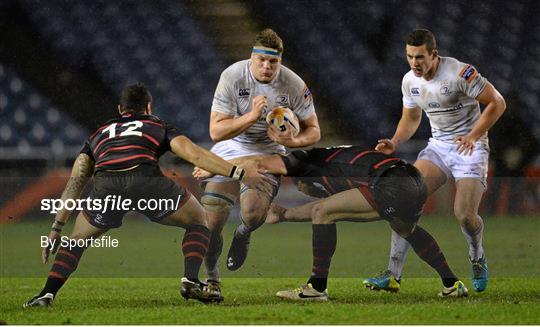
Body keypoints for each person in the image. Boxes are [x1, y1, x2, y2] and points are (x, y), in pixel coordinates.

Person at [23, 83, 267, 307]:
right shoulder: (157, 125)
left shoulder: (98, 134)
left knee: (77, 240)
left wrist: (56, 228)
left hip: (107, 185)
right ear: (149, 107)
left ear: (120, 109)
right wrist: (238, 173)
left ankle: (47, 294)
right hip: (146, 180)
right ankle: (191, 280)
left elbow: (76, 181)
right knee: (199, 221)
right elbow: (195, 155)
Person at [193, 145, 469, 300]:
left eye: (304, 189)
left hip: (392, 184)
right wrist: (285, 215)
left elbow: (258, 161)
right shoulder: (332, 162)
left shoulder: (301, 161)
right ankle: (452, 283)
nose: (307, 192)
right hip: (411, 179)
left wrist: (213, 165)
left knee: (323, 212)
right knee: (405, 229)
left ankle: (316, 288)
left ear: (302, 180)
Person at [365, 29, 506, 293]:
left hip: (470, 148)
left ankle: (477, 256)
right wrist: (395, 141)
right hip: (439, 148)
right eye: (409, 56)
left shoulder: (459, 73)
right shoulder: (410, 81)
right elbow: (411, 118)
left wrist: (473, 136)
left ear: (434, 54)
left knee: (464, 216)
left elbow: (497, 103)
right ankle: (392, 274)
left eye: (420, 57)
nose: (414, 63)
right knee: (403, 199)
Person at [202, 28, 320, 298]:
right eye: (261, 60)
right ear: (251, 58)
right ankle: (212, 279)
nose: (267, 67)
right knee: (212, 220)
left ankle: (243, 233)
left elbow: (314, 130)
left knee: (254, 216)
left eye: (273, 61)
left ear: (280, 60)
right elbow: (216, 132)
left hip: (269, 149)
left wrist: (293, 142)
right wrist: (252, 115)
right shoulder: (232, 76)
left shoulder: (293, 84)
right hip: (233, 144)